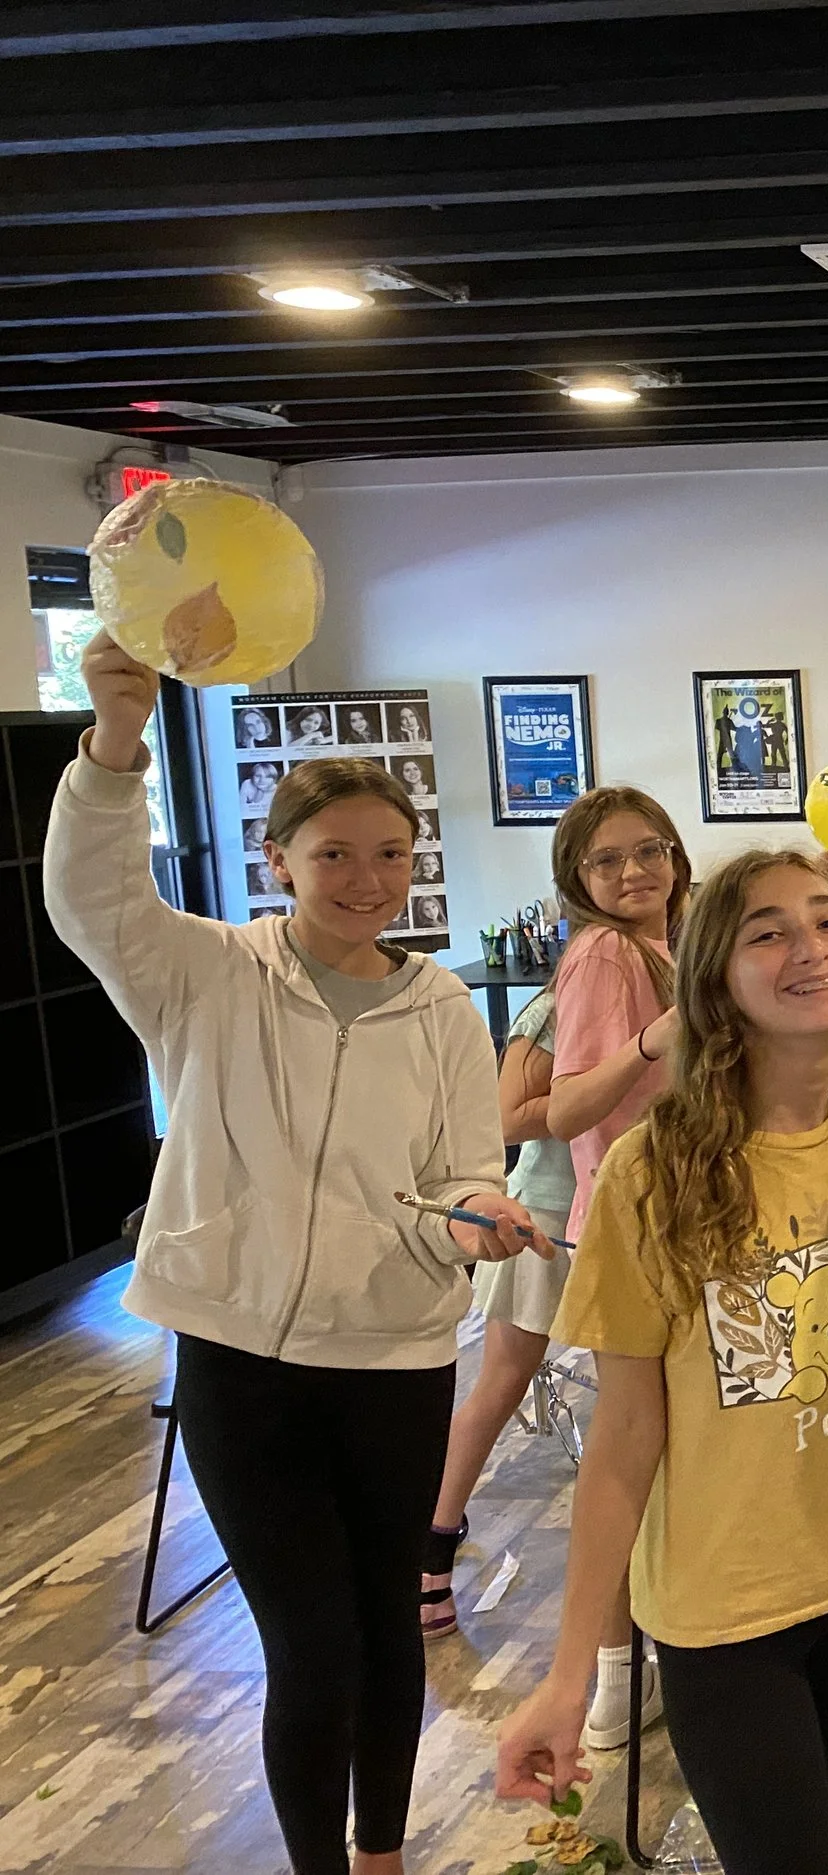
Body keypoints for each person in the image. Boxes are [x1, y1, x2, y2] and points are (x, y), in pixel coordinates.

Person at [49, 632, 542, 1875]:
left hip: (395, 1359)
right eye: (335, 855)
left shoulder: (438, 1009)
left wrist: (478, 1216)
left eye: (389, 855)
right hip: (241, 1361)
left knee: (387, 1632)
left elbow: (459, 1172)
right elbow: (92, 896)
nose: (366, 880)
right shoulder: (204, 974)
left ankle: (383, 1856)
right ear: (279, 862)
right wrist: (118, 746)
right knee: (310, 1647)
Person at [494, 850, 828, 1875]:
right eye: (768, 932)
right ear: (716, 983)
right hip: (724, 1608)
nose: (810, 948)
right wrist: (572, 1675)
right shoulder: (650, 1172)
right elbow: (620, 1442)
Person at [531, 783, 693, 1747]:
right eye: (607, 861)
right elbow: (561, 1111)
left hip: (678, 1222)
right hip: (635, 1233)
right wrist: (646, 1042)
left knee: (661, 1449)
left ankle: (641, 1660)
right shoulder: (603, 953)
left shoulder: (664, 946)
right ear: (578, 880)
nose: (634, 871)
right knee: (634, 1453)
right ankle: (615, 1676)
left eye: (649, 850)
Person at [422, 987, 578, 1639]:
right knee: (502, 1381)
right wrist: (615, 1080)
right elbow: (507, 1118)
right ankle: (431, 1546)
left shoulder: (673, 984)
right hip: (546, 1214)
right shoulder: (553, 1006)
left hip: (639, 1211)